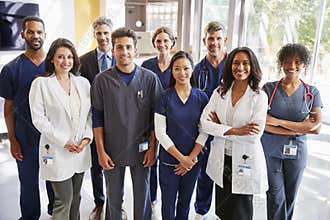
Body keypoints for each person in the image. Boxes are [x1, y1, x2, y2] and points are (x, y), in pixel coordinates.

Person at [91, 27, 162, 220]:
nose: (124, 52)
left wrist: (153, 148)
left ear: (136, 50)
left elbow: (157, 119)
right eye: (119, 47)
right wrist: (100, 151)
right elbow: (96, 118)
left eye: (128, 47)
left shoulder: (149, 79)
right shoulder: (101, 80)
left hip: (142, 149)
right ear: (113, 50)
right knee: (113, 197)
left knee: (143, 196)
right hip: (112, 149)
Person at [200, 47, 269, 220]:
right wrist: (236, 130)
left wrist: (220, 128)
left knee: (241, 210)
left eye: (246, 63)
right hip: (223, 158)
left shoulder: (259, 96)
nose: (240, 68)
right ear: (230, 65)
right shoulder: (220, 92)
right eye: (236, 63)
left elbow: (254, 135)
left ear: (252, 66)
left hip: (245, 160)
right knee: (223, 209)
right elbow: (204, 123)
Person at [29, 38, 92, 220]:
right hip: (56, 151)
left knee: (76, 198)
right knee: (63, 200)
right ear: (52, 60)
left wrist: (86, 139)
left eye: (70, 57)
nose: (66, 62)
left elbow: (89, 115)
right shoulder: (41, 84)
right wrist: (65, 142)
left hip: (80, 150)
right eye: (61, 57)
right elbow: (39, 120)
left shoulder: (83, 83)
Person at [0, 16, 54, 220]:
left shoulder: (54, 65)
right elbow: (8, 107)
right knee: (29, 182)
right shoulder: (11, 69)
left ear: (45, 35)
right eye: (30, 31)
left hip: (51, 138)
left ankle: (55, 212)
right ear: (23, 34)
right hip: (25, 139)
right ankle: (30, 216)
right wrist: (13, 140)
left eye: (39, 32)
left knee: (54, 180)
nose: (35, 36)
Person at [261, 43, 322, 220]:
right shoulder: (269, 89)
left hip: (297, 154)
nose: (292, 66)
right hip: (271, 151)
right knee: (275, 196)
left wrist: (277, 122)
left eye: (297, 62)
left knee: (290, 197)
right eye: (287, 61)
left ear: (304, 64)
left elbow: (316, 127)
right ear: (281, 63)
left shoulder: (312, 92)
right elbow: (262, 123)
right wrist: (300, 127)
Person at [154, 51, 208, 220]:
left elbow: (204, 130)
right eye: (177, 68)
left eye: (186, 68)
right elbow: (160, 133)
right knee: (168, 203)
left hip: (192, 163)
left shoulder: (201, 97)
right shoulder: (164, 97)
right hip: (168, 161)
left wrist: (189, 159)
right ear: (171, 71)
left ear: (192, 70)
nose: (182, 73)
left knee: (185, 203)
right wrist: (181, 158)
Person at [79, 16, 120, 220]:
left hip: (118, 122)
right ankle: (99, 202)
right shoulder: (83, 61)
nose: (103, 37)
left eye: (106, 33)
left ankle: (116, 203)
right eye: (99, 33)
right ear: (94, 35)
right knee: (97, 164)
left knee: (117, 165)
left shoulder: (121, 57)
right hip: (94, 119)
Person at [192, 21, 227, 219]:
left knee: (225, 176)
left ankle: (223, 212)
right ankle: (201, 211)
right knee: (204, 175)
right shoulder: (197, 70)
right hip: (205, 131)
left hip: (227, 130)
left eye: (218, 38)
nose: (214, 43)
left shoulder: (234, 66)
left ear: (225, 40)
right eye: (210, 39)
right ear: (204, 40)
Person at [141, 26, 176, 214]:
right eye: (159, 41)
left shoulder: (178, 64)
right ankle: (152, 198)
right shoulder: (147, 65)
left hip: (173, 121)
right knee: (151, 158)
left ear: (172, 43)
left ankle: (169, 199)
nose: (162, 44)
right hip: (151, 119)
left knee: (168, 160)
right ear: (154, 43)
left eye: (166, 41)